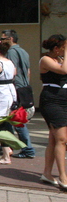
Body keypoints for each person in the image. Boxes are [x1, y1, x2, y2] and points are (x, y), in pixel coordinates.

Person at [38, 34, 67, 190]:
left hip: (64, 101)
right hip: (52, 101)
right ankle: (63, 177)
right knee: (62, 139)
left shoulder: (61, 60)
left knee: (53, 140)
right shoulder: (45, 60)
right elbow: (64, 71)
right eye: (63, 48)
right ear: (56, 49)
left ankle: (47, 173)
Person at [2, 30, 36, 159]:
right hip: (24, 87)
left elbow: (12, 70)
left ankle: (27, 149)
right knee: (15, 119)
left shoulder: (11, 52)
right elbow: (28, 71)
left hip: (16, 88)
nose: (1, 41)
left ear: (10, 38)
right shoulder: (24, 51)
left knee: (17, 119)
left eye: (3, 38)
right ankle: (9, 144)